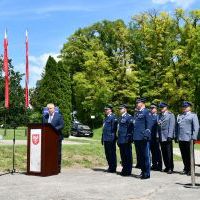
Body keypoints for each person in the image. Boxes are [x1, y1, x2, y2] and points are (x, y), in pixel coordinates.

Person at [176, 101, 200, 175]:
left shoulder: (193, 116)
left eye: (186, 107)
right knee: (183, 154)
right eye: (183, 107)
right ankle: (186, 168)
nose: (184, 108)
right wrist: (177, 137)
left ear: (190, 108)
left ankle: (191, 169)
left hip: (189, 138)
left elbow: (196, 127)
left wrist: (194, 137)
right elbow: (178, 127)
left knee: (190, 155)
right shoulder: (180, 116)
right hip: (181, 138)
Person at [133, 97, 152, 179]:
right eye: (136, 103)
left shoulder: (147, 112)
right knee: (140, 156)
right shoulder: (137, 113)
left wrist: (146, 135)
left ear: (142, 103)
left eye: (138, 103)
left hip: (143, 137)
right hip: (137, 137)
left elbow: (149, 125)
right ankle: (142, 171)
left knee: (145, 156)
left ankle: (147, 173)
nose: (137, 104)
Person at [43, 103, 64, 173]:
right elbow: (43, 126)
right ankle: (49, 166)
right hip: (47, 138)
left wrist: (54, 129)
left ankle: (57, 167)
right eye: (48, 108)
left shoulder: (59, 116)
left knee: (57, 153)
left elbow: (62, 125)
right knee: (49, 152)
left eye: (50, 108)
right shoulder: (44, 116)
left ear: (54, 109)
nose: (49, 110)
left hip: (57, 137)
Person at [158, 102, 175, 174]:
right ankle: (167, 166)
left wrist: (170, 136)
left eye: (162, 107)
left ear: (166, 108)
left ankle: (170, 167)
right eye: (160, 108)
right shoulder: (160, 116)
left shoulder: (170, 115)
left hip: (167, 136)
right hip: (161, 136)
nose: (161, 109)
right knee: (164, 152)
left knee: (169, 153)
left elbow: (172, 126)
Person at [117, 104, 133, 176]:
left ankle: (128, 170)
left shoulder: (129, 117)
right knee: (123, 155)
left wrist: (130, 138)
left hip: (126, 139)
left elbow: (131, 129)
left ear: (125, 109)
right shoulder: (120, 117)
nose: (120, 110)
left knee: (128, 156)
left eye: (121, 108)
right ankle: (124, 169)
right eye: (119, 109)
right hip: (121, 139)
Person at [101, 104, 118, 173]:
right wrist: (102, 138)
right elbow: (104, 129)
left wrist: (113, 137)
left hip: (111, 138)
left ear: (110, 110)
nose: (105, 110)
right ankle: (110, 166)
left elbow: (114, 128)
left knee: (112, 153)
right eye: (105, 109)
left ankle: (113, 168)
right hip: (106, 138)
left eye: (107, 109)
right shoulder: (106, 118)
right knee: (107, 153)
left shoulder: (113, 117)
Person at [149, 103, 162, 171]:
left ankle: (159, 166)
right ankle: (154, 165)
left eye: (152, 108)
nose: (151, 109)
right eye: (150, 108)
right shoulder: (150, 116)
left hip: (156, 136)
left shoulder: (158, 116)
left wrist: (158, 136)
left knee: (157, 152)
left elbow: (159, 126)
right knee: (152, 152)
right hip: (151, 137)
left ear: (156, 109)